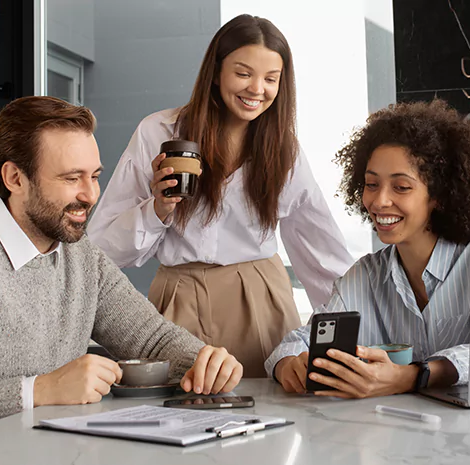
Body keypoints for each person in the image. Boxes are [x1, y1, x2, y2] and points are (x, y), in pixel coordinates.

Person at [0, 96, 242, 454]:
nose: (90, 195)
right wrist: (38, 391)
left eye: (94, 176)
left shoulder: (80, 256)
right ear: (15, 178)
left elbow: (151, 340)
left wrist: (204, 363)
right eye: (71, 178)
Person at [88, 14, 353, 377]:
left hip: (260, 298)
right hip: (177, 300)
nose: (257, 89)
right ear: (215, 72)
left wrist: (349, 336)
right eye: (243, 74)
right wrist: (158, 209)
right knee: (173, 415)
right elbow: (102, 248)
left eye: (271, 79)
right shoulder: (158, 132)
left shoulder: (283, 150)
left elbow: (320, 250)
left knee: (267, 415)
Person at [266, 99, 470, 398]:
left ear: (439, 194)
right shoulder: (366, 275)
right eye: (371, 184)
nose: (379, 201)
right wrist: (289, 364)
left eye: (401, 187)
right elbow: (297, 343)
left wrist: (414, 375)